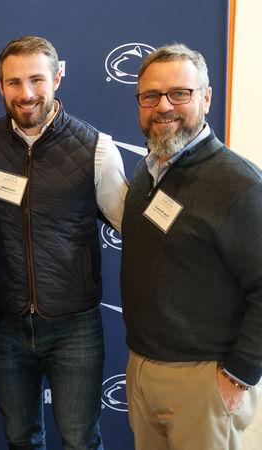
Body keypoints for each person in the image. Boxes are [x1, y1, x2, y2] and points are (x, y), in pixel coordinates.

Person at [0, 35, 128, 449]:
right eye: (13, 83)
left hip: (75, 327)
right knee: (20, 437)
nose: (26, 93)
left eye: (37, 80)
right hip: (4, 324)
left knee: (80, 439)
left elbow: (135, 230)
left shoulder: (96, 150)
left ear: (58, 78)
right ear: (0, 87)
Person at [122, 43, 262, 450]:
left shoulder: (240, 185)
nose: (163, 106)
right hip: (143, 369)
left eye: (179, 93)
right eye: (150, 96)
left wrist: (240, 374)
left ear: (206, 97)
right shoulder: (147, 172)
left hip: (204, 379)